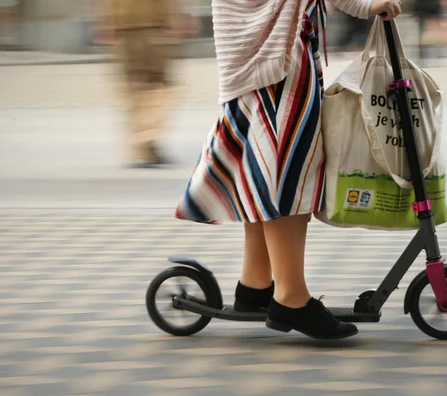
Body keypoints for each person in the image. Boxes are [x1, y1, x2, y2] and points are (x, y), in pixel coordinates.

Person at [175, 0, 402, 340]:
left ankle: (255, 283)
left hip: (265, 58)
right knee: (287, 178)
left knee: (265, 170)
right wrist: (367, 4)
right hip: (279, 65)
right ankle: (291, 298)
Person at [97, 0, 192, 168]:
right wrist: (176, 17)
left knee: (135, 84)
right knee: (157, 83)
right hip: (152, 26)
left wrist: (107, 20)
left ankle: (142, 143)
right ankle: (145, 140)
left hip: (125, 26)